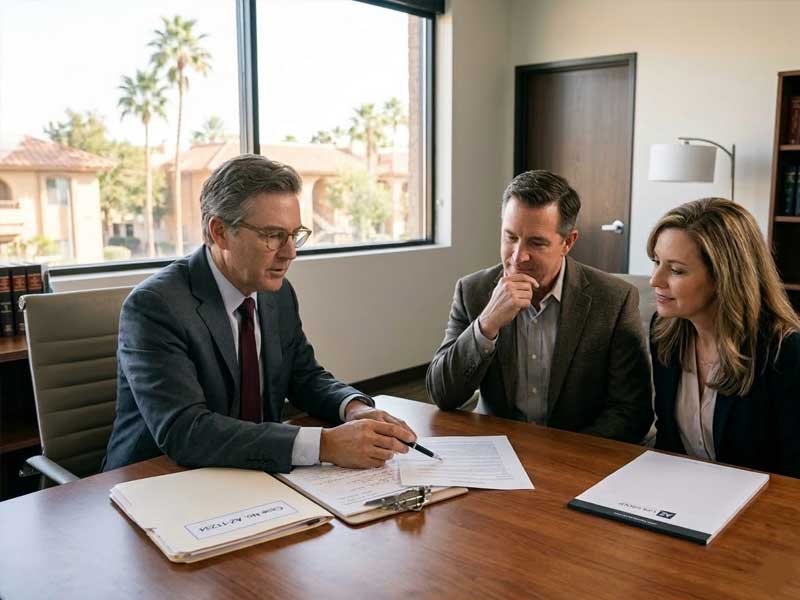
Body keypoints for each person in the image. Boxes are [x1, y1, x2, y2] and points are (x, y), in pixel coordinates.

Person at [103, 154, 415, 473]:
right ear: (220, 232)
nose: (290, 252)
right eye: (273, 235)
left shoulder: (275, 294)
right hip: (157, 480)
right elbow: (186, 431)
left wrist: (353, 407)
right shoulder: (155, 306)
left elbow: (303, 375)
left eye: (294, 235)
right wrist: (324, 444)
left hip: (248, 471)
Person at [427, 170, 652, 442]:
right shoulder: (473, 291)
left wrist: (561, 456)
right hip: (496, 449)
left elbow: (632, 412)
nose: (518, 256)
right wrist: (486, 325)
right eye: (510, 237)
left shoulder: (614, 300)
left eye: (536, 242)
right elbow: (442, 394)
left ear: (568, 242)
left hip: (576, 455)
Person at [648, 198, 800, 477]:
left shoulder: (785, 350)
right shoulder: (665, 332)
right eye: (656, 261)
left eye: (676, 270)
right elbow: (668, 440)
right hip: (683, 496)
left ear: (723, 277)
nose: (655, 280)